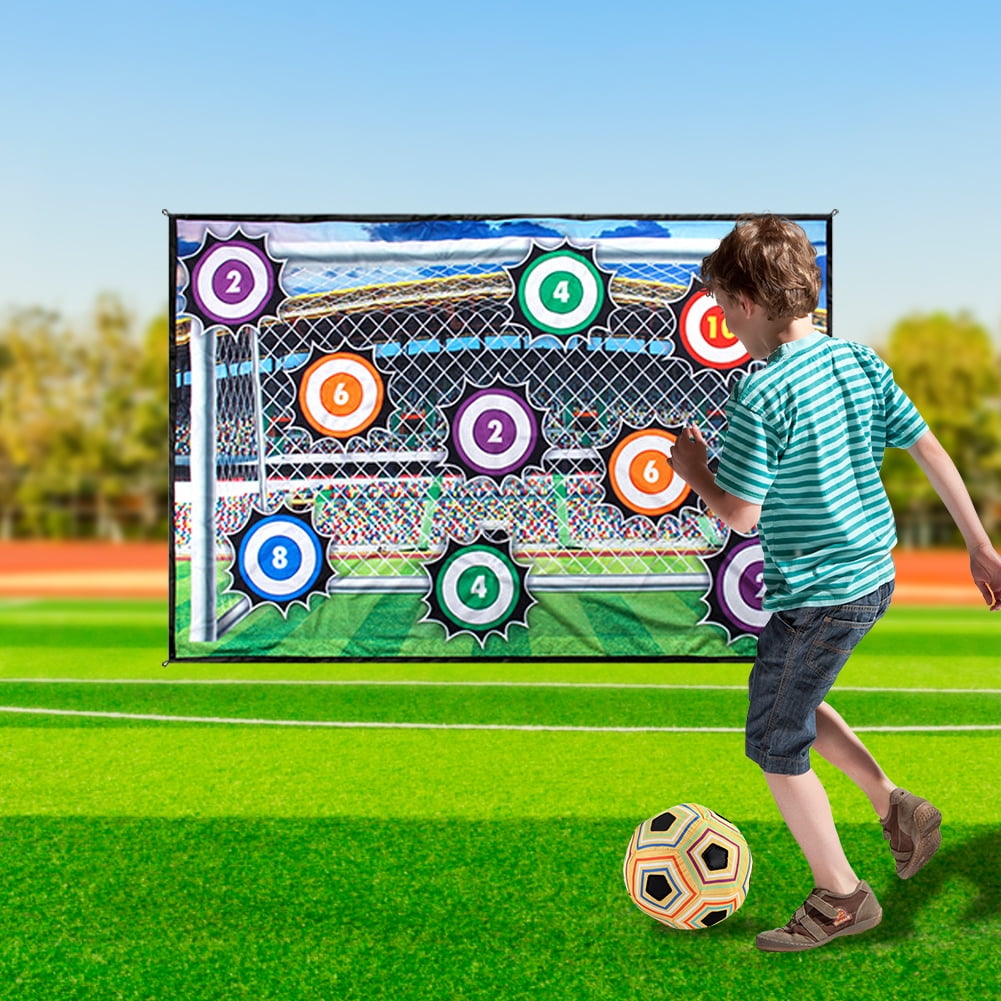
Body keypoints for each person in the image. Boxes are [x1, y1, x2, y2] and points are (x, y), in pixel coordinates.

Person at [668, 214, 1001, 953]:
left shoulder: (761, 392)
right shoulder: (857, 359)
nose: (724, 324)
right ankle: (893, 806)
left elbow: (740, 516)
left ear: (749, 303)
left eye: (722, 308)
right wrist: (979, 544)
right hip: (871, 577)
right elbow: (927, 446)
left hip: (817, 596)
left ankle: (842, 895)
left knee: (772, 742)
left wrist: (695, 475)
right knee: (795, 697)